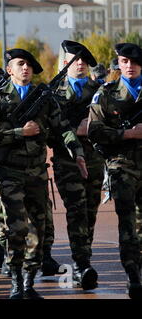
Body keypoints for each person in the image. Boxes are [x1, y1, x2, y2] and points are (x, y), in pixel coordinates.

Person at [0, 48, 87, 299]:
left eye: (29, 64)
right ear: (10, 70)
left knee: (39, 231)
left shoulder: (45, 97)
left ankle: (29, 284)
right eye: (20, 64)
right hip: (10, 174)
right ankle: (17, 284)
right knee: (15, 230)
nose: (25, 68)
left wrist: (77, 150)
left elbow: (63, 128)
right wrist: (20, 133)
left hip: (37, 174)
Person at [87, 42, 142, 300]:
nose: (129, 66)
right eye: (124, 61)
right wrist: (127, 134)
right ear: (118, 64)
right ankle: (133, 274)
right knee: (128, 222)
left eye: (134, 61)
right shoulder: (106, 93)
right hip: (122, 166)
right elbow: (94, 130)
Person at [50, 40, 104, 289]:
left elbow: (110, 125)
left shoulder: (100, 90)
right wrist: (75, 131)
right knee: (76, 211)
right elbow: (49, 132)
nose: (79, 63)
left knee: (90, 213)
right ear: (65, 63)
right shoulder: (54, 93)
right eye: (74, 59)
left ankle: (85, 257)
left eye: (83, 59)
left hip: (94, 159)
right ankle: (82, 263)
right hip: (67, 161)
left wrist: (91, 129)